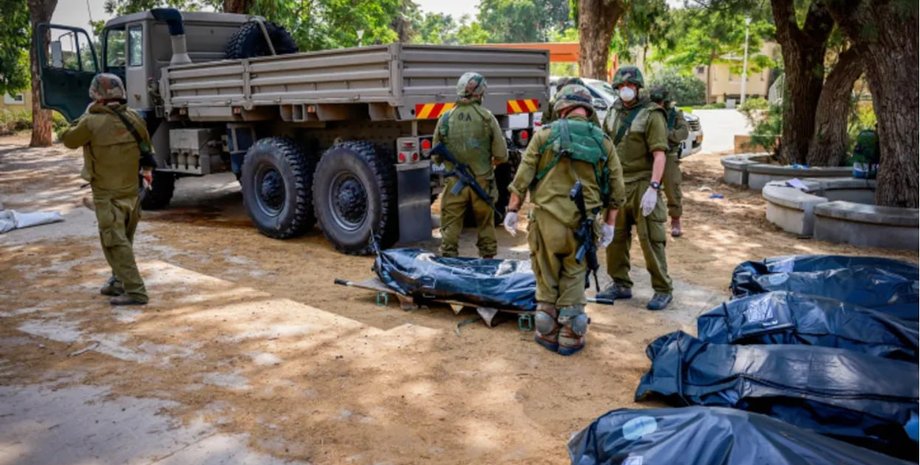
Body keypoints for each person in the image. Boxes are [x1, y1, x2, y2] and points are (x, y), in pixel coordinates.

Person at [504, 84, 625, 355]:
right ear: (587, 109)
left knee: (546, 277)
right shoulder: (603, 142)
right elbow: (617, 190)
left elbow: (521, 178)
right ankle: (571, 333)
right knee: (574, 274)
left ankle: (546, 328)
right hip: (583, 226)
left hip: (545, 223)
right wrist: (609, 224)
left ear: (561, 107)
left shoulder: (544, 135)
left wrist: (512, 211)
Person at [61, 73, 156, 306]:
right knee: (122, 240)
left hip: (107, 194)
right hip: (131, 193)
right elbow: (147, 150)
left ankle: (136, 291)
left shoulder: (91, 122)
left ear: (96, 96)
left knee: (114, 242)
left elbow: (67, 139)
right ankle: (118, 282)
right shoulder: (134, 118)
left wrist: (84, 114)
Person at [597, 65, 673, 311]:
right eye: (621, 86)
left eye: (630, 86)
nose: (625, 90)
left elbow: (660, 154)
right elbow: (605, 148)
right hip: (618, 185)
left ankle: (663, 289)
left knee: (651, 239)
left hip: (642, 183)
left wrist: (654, 186)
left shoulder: (652, 114)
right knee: (615, 238)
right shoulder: (612, 113)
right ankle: (620, 283)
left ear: (638, 88)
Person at [433, 72, 508, 258]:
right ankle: (488, 261)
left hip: (454, 184)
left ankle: (448, 262)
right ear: (481, 93)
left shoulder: (445, 118)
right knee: (485, 223)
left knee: (450, 225)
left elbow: (436, 158)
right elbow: (502, 155)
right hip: (483, 181)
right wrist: (489, 163)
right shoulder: (487, 117)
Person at [649, 86, 690, 237]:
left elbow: (684, 132)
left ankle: (675, 219)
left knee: (672, 188)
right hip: (649, 155)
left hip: (669, 154)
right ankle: (651, 221)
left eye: (660, 101)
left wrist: (665, 134)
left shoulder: (675, 114)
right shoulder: (647, 113)